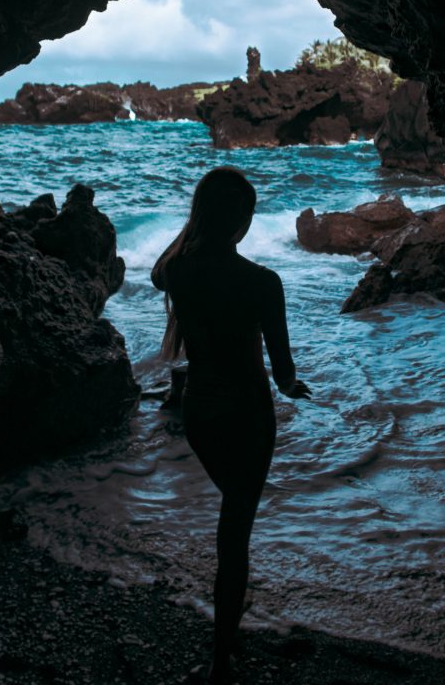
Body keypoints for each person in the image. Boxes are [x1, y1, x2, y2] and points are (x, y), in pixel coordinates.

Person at [151, 166, 310, 684]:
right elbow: (282, 372)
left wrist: (195, 227)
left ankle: (224, 642)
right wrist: (292, 388)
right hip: (247, 414)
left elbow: (158, 269)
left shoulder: (177, 271)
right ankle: (222, 658)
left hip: (199, 411)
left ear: (200, 215)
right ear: (244, 219)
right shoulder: (263, 283)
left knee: (230, 520)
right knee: (234, 533)